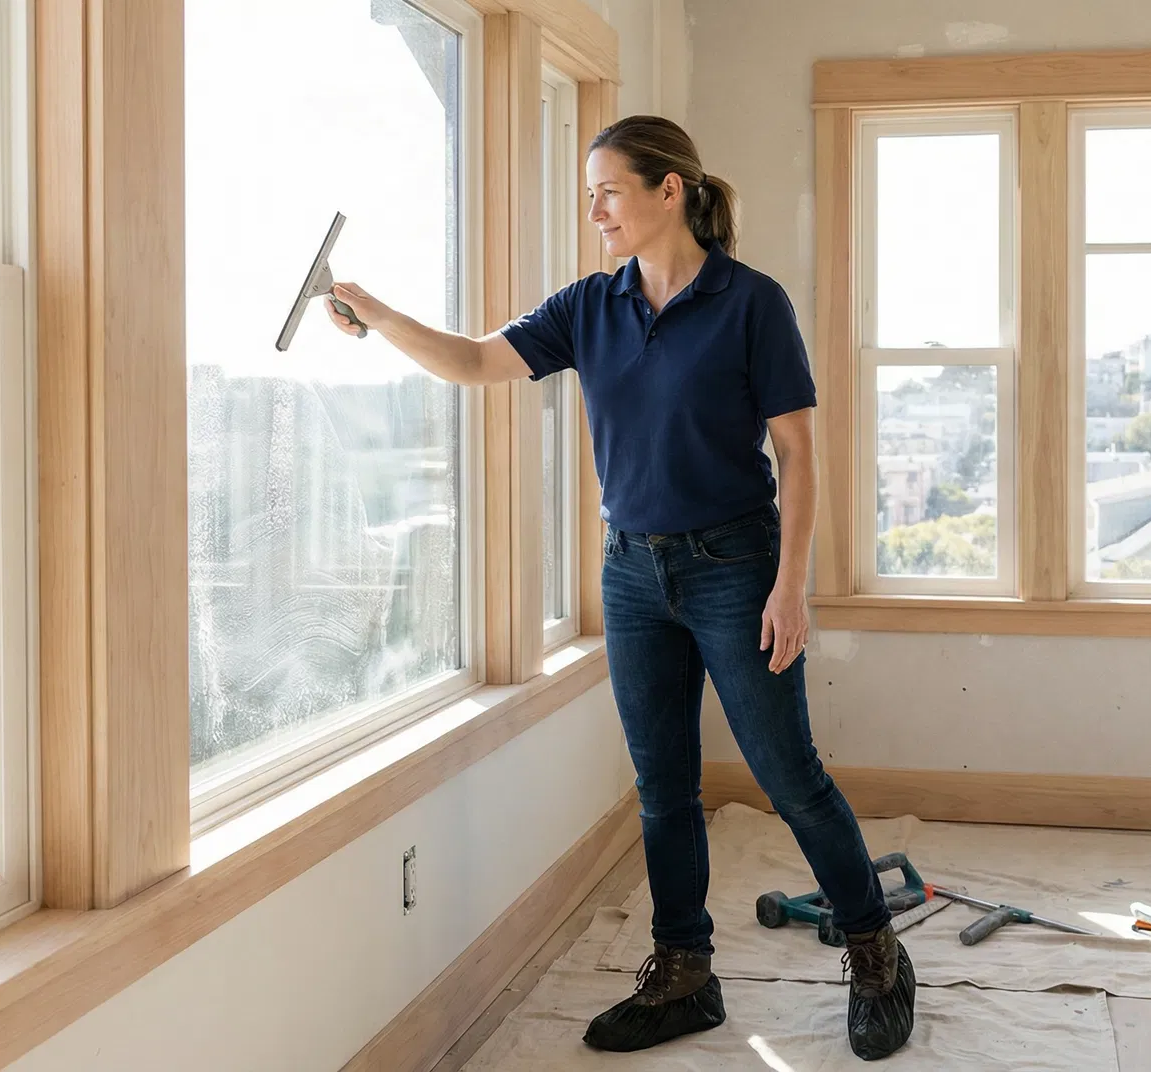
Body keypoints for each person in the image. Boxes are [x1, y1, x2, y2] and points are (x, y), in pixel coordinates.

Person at [323, 114, 915, 1061]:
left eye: (608, 190)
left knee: (786, 774)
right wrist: (380, 315)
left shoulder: (750, 302)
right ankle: (685, 974)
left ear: (667, 190)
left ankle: (874, 948)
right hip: (631, 572)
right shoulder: (587, 308)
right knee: (662, 786)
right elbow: (479, 362)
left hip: (735, 567)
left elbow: (798, 452)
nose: (594, 208)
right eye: (590, 193)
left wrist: (791, 586)